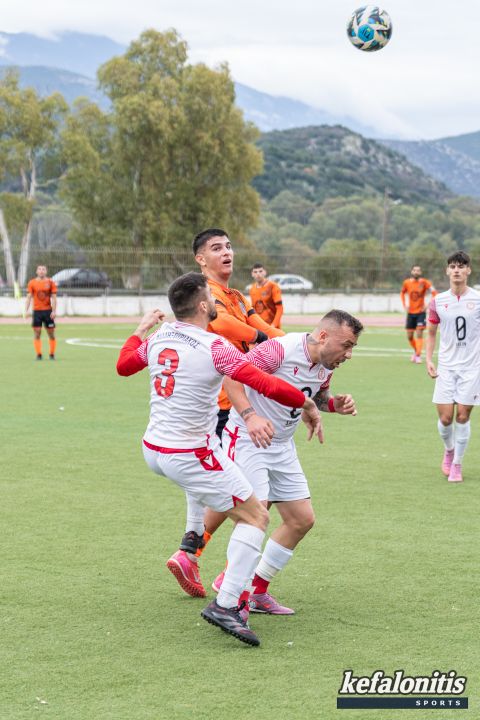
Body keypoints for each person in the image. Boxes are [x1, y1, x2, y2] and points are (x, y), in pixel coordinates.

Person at [116, 271, 321, 646]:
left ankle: (194, 536)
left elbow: (124, 365)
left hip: (153, 449)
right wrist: (304, 401)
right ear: (201, 306)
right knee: (256, 515)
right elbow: (264, 383)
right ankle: (227, 604)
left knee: (212, 464)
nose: (215, 301)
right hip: (187, 453)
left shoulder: (160, 336)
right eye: (210, 298)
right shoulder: (215, 346)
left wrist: (141, 329)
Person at [210, 310, 363, 616]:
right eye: (346, 345)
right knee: (254, 518)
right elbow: (232, 378)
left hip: (281, 446)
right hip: (248, 438)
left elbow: (316, 397)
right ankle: (232, 594)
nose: (348, 354)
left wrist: (335, 405)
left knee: (301, 520)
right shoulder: (280, 349)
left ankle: (256, 591)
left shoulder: (325, 365)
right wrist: (251, 417)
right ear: (323, 336)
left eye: (352, 348)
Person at [165, 229, 285, 596]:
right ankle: (220, 571)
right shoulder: (206, 295)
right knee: (250, 493)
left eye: (229, 246)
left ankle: (193, 553)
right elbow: (224, 325)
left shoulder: (235, 294)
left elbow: (256, 323)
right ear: (201, 259)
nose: (227, 252)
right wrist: (263, 339)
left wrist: (291, 343)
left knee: (245, 489)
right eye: (217, 248)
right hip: (226, 404)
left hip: (240, 400)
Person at [426, 251, 480, 483]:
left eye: (461, 266)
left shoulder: (478, 299)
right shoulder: (438, 301)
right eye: (453, 266)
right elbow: (431, 333)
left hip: (472, 367)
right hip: (446, 367)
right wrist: (429, 359)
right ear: (447, 271)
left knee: (463, 416)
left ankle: (457, 463)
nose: (457, 270)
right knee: (446, 418)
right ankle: (449, 450)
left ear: (468, 270)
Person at [400, 265, 437, 363]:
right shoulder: (406, 282)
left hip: (421, 312)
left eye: (418, 270)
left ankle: (418, 356)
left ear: (420, 272)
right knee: (410, 336)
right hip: (410, 312)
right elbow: (402, 293)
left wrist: (428, 305)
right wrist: (404, 305)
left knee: (419, 333)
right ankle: (416, 351)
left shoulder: (425, 282)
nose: (416, 272)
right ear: (411, 271)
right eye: (414, 270)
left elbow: (435, 293)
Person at [25, 265, 58, 360]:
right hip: (37, 312)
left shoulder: (50, 282)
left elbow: (54, 298)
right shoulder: (32, 282)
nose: (41, 271)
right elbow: (29, 297)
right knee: (37, 333)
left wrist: (54, 311)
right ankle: (39, 354)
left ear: (46, 271)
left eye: (43, 269)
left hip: (48, 311)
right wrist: (26, 310)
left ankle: (52, 354)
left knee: (51, 333)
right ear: (36, 271)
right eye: (39, 269)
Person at [249, 263, 283, 329]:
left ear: (265, 272)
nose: (258, 274)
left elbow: (280, 308)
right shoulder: (252, 289)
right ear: (252, 274)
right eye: (255, 272)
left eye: (260, 271)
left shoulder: (273, 286)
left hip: (272, 328)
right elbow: (254, 308)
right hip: (260, 327)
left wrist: (274, 325)